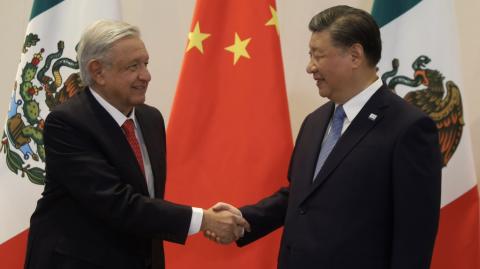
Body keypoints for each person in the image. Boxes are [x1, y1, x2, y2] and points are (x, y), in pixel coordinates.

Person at [209, 5, 442, 269]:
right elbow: (300, 196)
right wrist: (244, 219)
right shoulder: (315, 121)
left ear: (355, 55)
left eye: (318, 55)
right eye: (310, 55)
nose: (310, 67)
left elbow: (414, 234)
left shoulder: (408, 127)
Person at [24, 20, 248, 269]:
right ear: (98, 72)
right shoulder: (67, 123)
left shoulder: (150, 119)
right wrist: (203, 220)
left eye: (145, 63)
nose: (146, 75)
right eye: (133, 66)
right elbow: (116, 203)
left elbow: (148, 199)